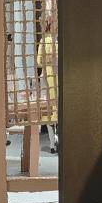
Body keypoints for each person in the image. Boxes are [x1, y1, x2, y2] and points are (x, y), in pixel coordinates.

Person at [37, 12, 59, 153]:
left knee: (49, 112)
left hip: (47, 78)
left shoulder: (44, 41)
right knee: (57, 110)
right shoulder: (56, 41)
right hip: (56, 78)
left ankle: (52, 145)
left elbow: (39, 61)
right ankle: (57, 142)